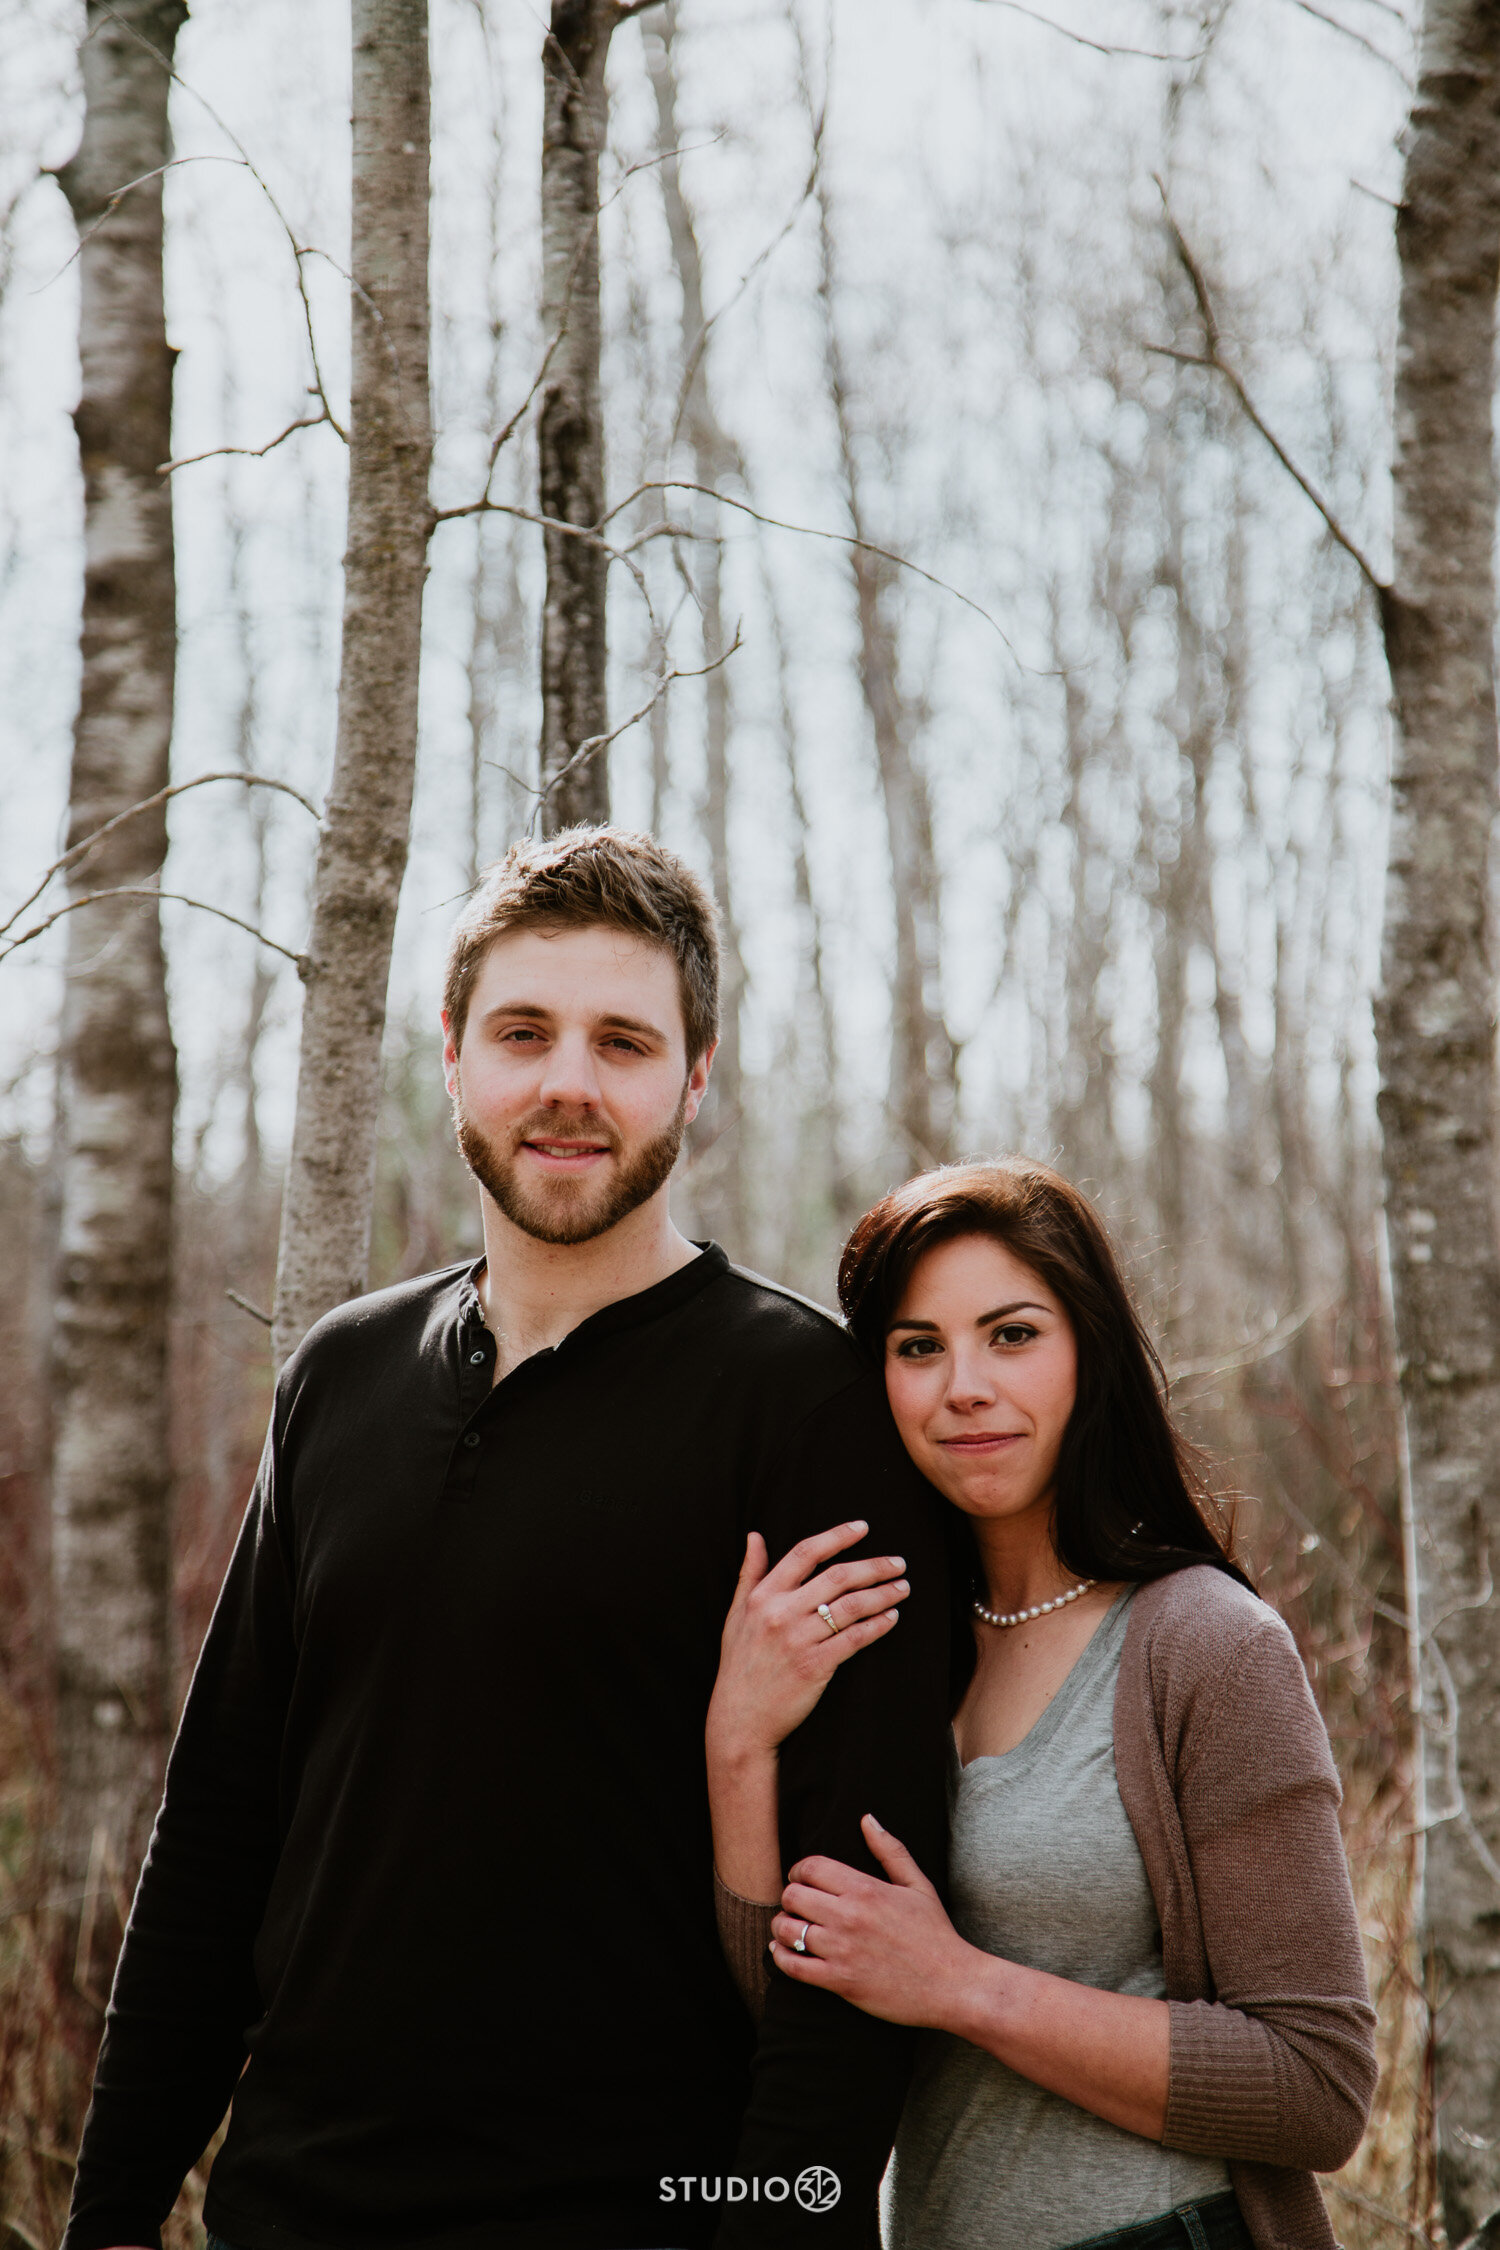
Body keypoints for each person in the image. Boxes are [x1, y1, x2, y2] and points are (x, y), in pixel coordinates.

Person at [62, 827, 955, 2250]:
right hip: (296, 2208)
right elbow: (220, 1829)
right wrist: (111, 2210)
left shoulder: (809, 1408)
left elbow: (850, 1925)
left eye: (623, 1041)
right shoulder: (339, 1377)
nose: (567, 1084)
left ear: (696, 1075)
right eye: (525, 1031)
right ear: (452, 1052)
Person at [707, 1159, 1378, 2250]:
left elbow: (1317, 2087)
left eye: (1012, 1334)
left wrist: (961, 1985)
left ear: (1090, 1354)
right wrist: (738, 1744)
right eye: (918, 1347)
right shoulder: (881, 1640)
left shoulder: (1208, 1646)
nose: (964, 1385)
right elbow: (804, 2005)